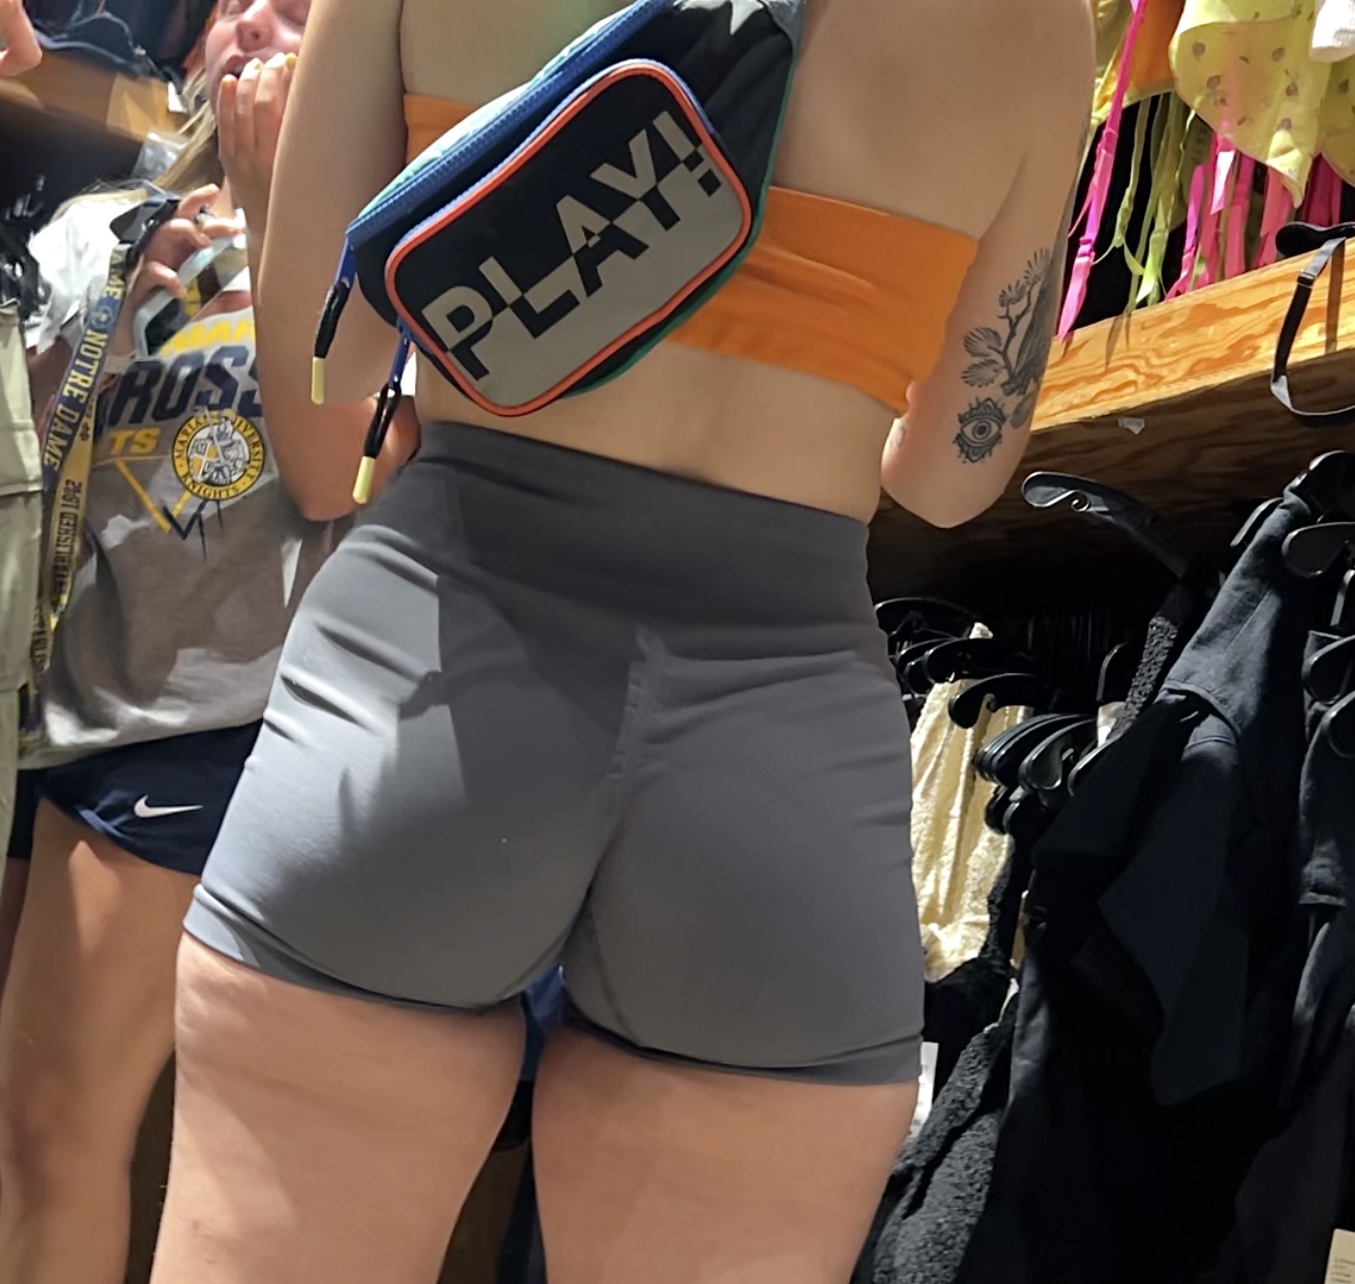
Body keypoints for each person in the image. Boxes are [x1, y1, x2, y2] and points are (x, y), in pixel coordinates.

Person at [151, 0, 1094, 1281]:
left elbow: (326, 436)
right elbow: (947, 474)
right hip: (782, 746)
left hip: (429, 674)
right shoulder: (1039, 25)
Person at [0, 4, 408, 1282]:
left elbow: (338, 478)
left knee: (63, 1138)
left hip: (211, 728)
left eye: (296, 4)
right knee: (18, 1123)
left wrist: (283, 216)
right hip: (42, 708)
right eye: (230, 4)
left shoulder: (391, 247)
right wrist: (96, 323)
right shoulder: (99, 225)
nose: (253, 25)